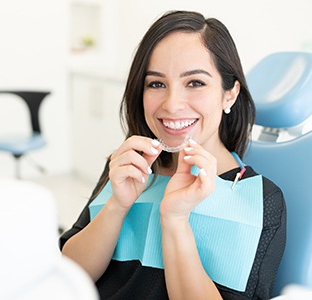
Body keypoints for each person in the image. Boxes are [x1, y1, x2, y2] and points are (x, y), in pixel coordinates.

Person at [59, 10, 286, 300]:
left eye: (195, 83)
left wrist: (175, 219)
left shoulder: (261, 199)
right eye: (156, 84)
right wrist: (117, 205)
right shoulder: (128, 166)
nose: (172, 104)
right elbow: (66, 277)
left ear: (229, 94)